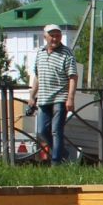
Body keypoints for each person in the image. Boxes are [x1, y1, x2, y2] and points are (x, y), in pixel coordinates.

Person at [27, 23, 79, 164]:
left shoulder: (66, 53)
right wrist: (32, 96)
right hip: (43, 98)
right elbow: (37, 76)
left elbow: (73, 76)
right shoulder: (40, 53)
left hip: (60, 97)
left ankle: (56, 162)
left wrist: (70, 98)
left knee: (56, 131)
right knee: (43, 130)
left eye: (58, 35)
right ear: (45, 37)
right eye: (52, 36)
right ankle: (62, 152)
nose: (55, 39)